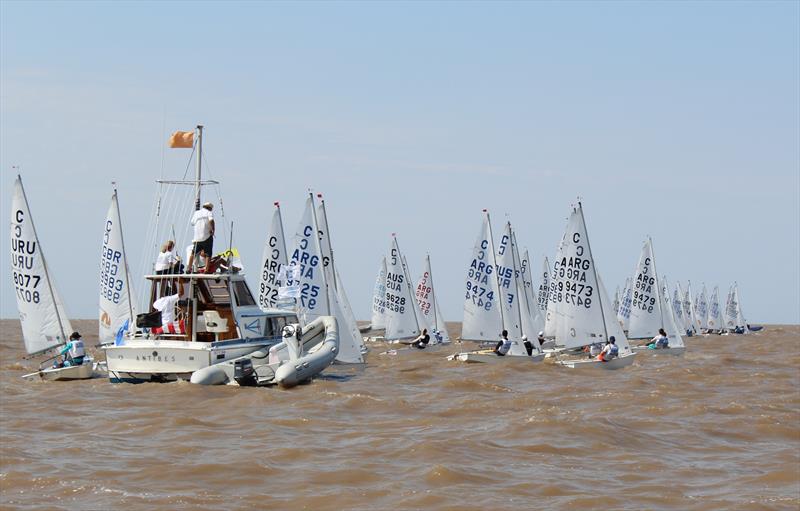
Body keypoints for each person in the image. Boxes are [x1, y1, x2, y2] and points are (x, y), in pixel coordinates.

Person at [187, 202, 215, 273]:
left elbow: (192, 223)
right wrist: (213, 230)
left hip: (197, 238)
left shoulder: (196, 213)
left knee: (193, 253)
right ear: (209, 208)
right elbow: (211, 220)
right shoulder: (209, 212)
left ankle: (188, 268)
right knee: (208, 253)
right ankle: (206, 269)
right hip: (206, 236)